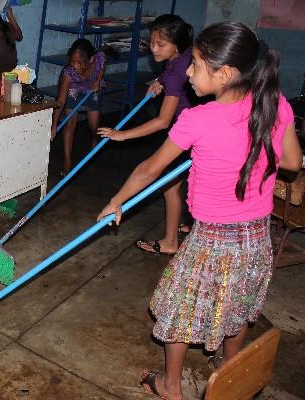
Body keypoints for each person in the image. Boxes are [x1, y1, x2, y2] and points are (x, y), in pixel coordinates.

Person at [97, 22, 301, 400]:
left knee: (178, 312)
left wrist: (116, 200)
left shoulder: (197, 120)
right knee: (237, 305)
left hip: (211, 241)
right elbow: (292, 161)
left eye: (196, 65)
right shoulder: (275, 105)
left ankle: (171, 387)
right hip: (257, 237)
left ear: (224, 74)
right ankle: (227, 368)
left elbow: (148, 169)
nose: (188, 72)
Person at [99, 14, 196, 255]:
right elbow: (173, 73)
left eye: (160, 44)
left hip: (188, 133)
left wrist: (122, 135)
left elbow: (162, 121)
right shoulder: (186, 56)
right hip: (194, 128)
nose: (153, 48)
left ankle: (172, 241)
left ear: (177, 44)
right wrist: (158, 81)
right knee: (174, 185)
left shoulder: (176, 72)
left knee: (169, 184)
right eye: (151, 42)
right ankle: (184, 228)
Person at [50, 38, 106, 177]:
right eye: (72, 61)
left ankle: (94, 140)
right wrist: (54, 125)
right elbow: (61, 101)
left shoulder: (98, 58)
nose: (75, 65)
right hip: (73, 91)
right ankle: (67, 161)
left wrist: (98, 81)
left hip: (92, 89)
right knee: (70, 124)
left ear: (91, 59)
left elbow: (103, 66)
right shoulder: (68, 73)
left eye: (80, 62)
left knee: (94, 126)